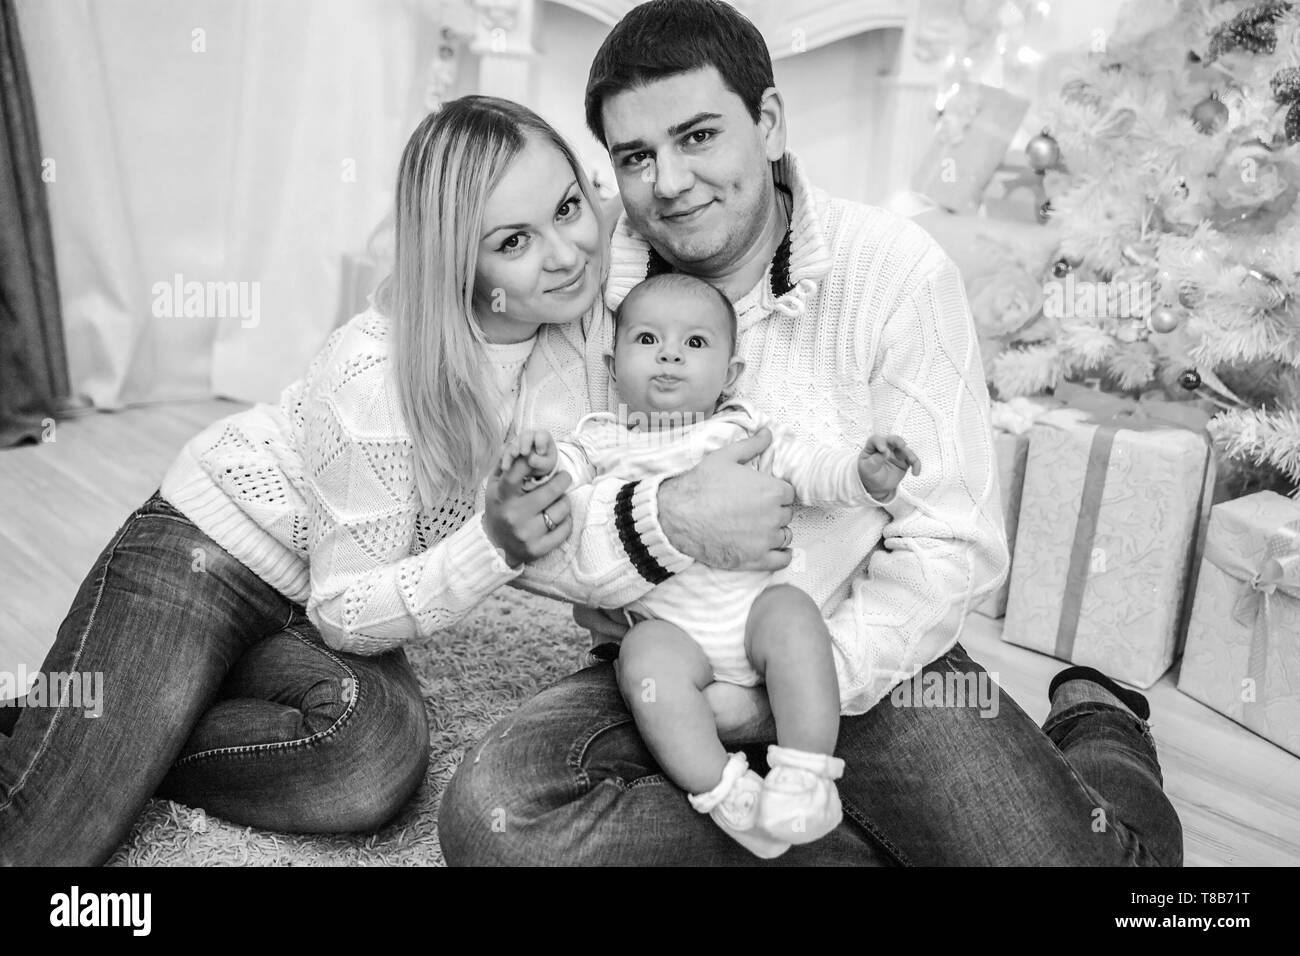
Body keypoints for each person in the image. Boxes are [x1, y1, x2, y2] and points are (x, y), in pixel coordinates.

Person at [438, 0, 1184, 866]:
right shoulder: (587, 280)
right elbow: (542, 539)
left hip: (863, 658)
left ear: (769, 121)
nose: (669, 182)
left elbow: (953, 544)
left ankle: (1098, 721)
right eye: (636, 156)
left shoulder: (894, 270)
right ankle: (817, 829)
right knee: (499, 819)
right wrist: (668, 518)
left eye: (699, 136)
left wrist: (794, 690)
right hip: (672, 662)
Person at [0, 95, 611, 865]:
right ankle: (87, 741)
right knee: (39, 840)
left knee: (366, 761)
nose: (566, 252)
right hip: (212, 554)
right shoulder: (376, 370)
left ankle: (107, 733)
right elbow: (346, 610)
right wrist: (492, 543)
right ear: (460, 259)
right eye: (515, 240)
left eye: (569, 206)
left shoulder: (585, 316)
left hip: (311, 603)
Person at [505, 272, 918, 857]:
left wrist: (862, 475)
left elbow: (811, 469)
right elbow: (563, 487)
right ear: (613, 363)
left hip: (752, 622)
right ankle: (727, 794)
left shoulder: (740, 430)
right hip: (675, 639)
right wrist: (539, 471)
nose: (670, 353)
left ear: (729, 376)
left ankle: (805, 776)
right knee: (641, 662)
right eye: (647, 339)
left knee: (795, 614)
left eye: (695, 343)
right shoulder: (600, 440)